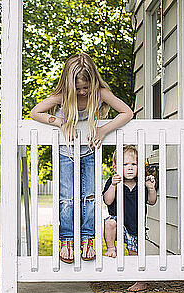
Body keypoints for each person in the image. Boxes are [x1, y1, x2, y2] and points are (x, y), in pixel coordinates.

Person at [30, 53, 133, 263]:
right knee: (67, 199)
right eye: (78, 88)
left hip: (90, 151)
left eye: (86, 87)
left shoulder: (100, 93)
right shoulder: (63, 96)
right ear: (70, 85)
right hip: (66, 152)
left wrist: (103, 130)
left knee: (90, 197)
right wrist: (58, 122)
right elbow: (35, 112)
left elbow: (127, 112)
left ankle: (88, 239)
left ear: (93, 82)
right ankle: (67, 240)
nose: (83, 92)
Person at [102, 145, 158, 292]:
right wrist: (114, 185)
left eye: (134, 164)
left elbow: (151, 201)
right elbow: (108, 200)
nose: (130, 168)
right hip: (119, 223)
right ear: (115, 168)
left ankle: (140, 281)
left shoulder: (141, 184)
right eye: (125, 165)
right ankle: (111, 248)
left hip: (135, 226)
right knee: (109, 222)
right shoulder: (113, 182)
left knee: (134, 254)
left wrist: (151, 188)